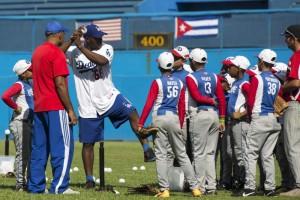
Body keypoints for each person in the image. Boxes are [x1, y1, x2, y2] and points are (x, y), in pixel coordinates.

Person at [63, 24, 156, 188]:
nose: (100, 39)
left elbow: (101, 60)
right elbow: (56, 53)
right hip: (88, 104)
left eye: (101, 36)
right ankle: (89, 180)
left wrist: (80, 47)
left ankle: (147, 150)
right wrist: (71, 40)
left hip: (109, 97)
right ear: (88, 39)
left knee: (133, 113)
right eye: (96, 37)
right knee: (88, 143)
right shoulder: (73, 52)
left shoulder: (107, 48)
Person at [138, 52, 202, 198]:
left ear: (159, 66)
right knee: (182, 154)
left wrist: (141, 122)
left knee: (161, 155)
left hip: (159, 117)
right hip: (174, 118)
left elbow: (149, 104)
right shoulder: (180, 83)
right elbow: (181, 106)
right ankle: (195, 188)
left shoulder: (157, 82)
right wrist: (179, 124)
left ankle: (165, 190)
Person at [28, 21, 79, 194]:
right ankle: (60, 187)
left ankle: (35, 187)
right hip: (56, 107)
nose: (63, 36)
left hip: (39, 107)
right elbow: (60, 84)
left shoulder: (37, 52)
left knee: (39, 149)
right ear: (58, 35)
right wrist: (71, 110)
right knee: (63, 148)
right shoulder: (56, 54)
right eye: (63, 34)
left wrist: (71, 41)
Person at [186, 48, 226, 194]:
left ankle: (200, 187)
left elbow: (196, 97)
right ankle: (211, 186)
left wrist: (209, 100)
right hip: (215, 116)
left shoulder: (191, 77)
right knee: (210, 153)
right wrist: (222, 118)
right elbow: (222, 99)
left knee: (198, 153)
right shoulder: (215, 76)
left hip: (201, 114)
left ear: (192, 61)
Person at [242, 49, 281, 197]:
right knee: (267, 155)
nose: (257, 62)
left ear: (262, 62)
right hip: (273, 118)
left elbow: (251, 101)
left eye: (259, 60)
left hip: (260, 117)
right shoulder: (276, 80)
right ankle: (270, 188)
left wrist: (251, 117)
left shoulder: (258, 78)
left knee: (250, 153)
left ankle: (250, 187)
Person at [1, 60, 33, 191]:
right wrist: (16, 107)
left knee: (29, 153)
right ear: (23, 73)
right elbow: (5, 96)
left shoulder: (29, 84)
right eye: (29, 69)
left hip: (28, 122)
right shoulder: (19, 85)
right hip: (20, 122)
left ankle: (28, 182)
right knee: (23, 153)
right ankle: (20, 184)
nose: (32, 71)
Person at [280, 25, 300, 197]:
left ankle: (299, 185)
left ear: (294, 38)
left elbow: (295, 83)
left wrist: (283, 86)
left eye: (287, 36)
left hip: (296, 105)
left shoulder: (297, 56)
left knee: (292, 146)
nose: (285, 39)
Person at [227, 56, 251, 190]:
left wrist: (241, 114)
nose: (229, 68)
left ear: (240, 68)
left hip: (241, 122)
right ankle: (241, 180)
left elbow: (253, 103)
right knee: (237, 153)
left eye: (232, 66)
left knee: (242, 153)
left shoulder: (245, 84)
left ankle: (246, 182)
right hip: (234, 123)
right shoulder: (236, 82)